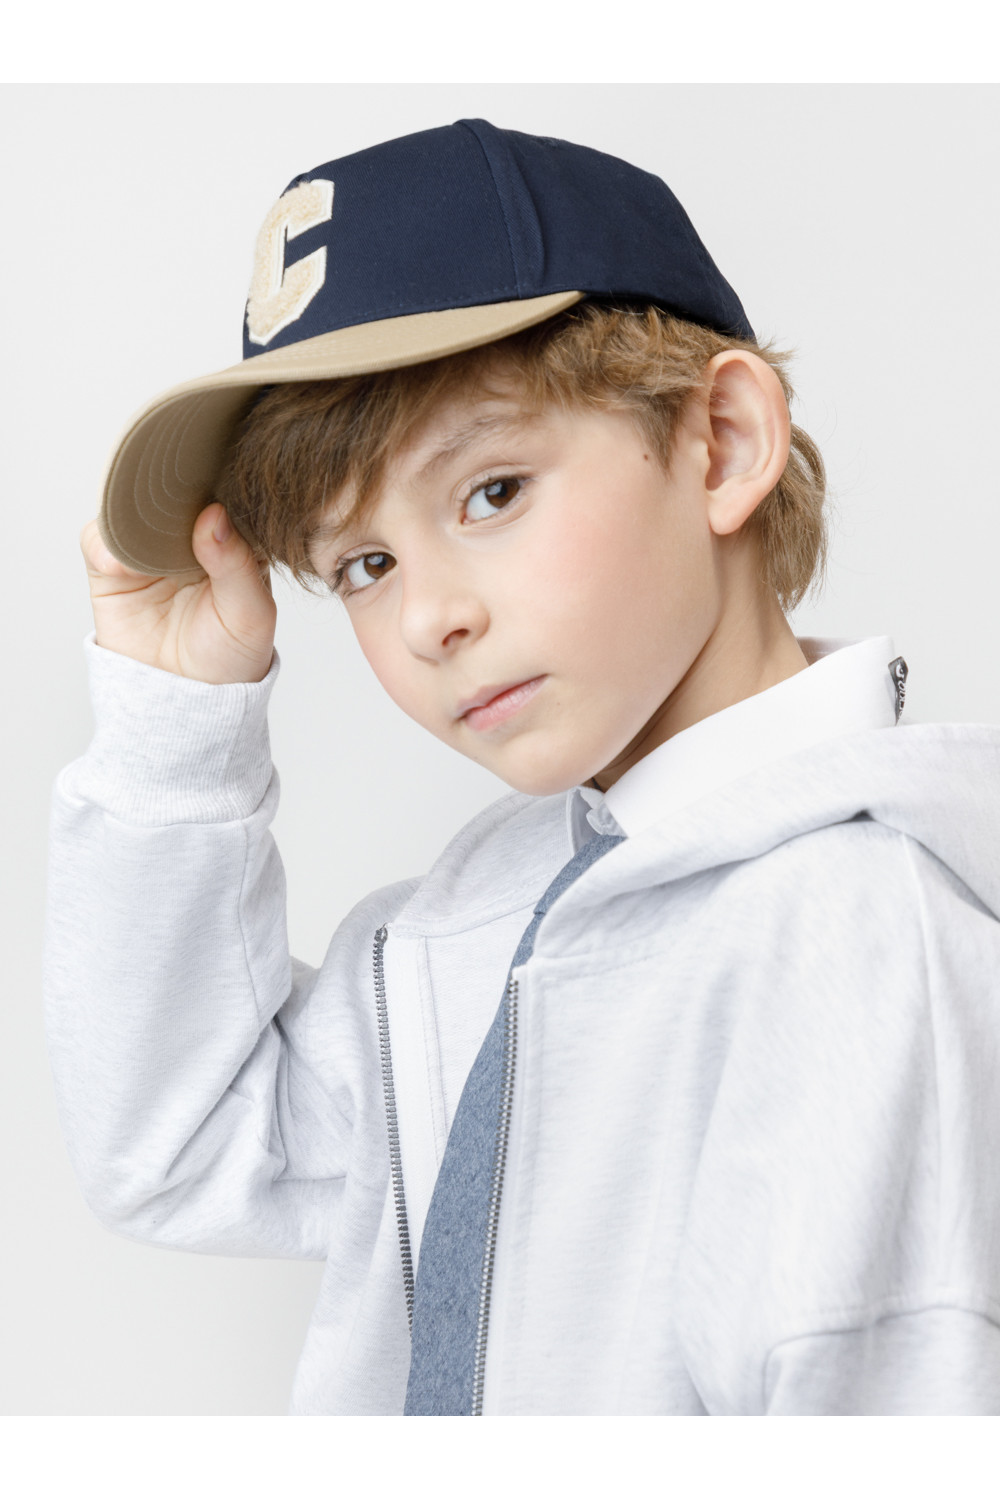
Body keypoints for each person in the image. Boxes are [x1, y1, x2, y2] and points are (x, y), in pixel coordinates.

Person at [44, 118, 1000, 1416]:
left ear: (722, 443)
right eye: (364, 564)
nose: (429, 617)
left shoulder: (854, 934)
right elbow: (185, 1144)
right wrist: (177, 726)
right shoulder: (476, 921)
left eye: (492, 492)